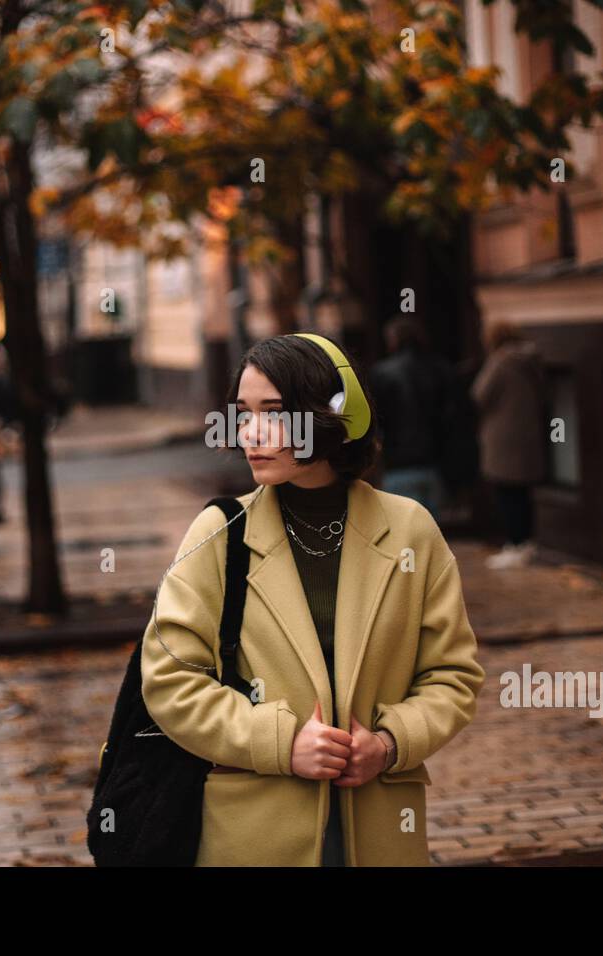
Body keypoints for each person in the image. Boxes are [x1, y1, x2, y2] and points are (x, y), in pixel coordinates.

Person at [140, 332, 485, 866]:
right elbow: (170, 680)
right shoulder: (218, 532)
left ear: (329, 417)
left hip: (379, 828)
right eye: (243, 413)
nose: (250, 432)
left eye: (274, 413)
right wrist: (278, 742)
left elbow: (452, 676)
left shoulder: (410, 530)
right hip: (254, 831)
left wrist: (389, 744)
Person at [471, 320, 546, 569]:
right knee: (522, 493)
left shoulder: (500, 361)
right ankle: (527, 543)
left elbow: (479, 394)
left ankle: (515, 545)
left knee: (506, 492)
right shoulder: (532, 359)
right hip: (528, 435)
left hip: (502, 438)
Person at [367, 315, 455, 519]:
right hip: (433, 463)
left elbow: (375, 420)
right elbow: (451, 417)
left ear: (393, 340)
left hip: (398, 464)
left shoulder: (381, 373)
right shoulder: (440, 369)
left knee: (403, 530)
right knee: (431, 530)